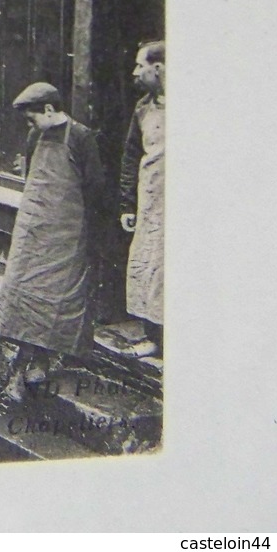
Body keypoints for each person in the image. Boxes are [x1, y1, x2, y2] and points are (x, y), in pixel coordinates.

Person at [0, 82, 106, 385]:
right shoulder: (34, 137)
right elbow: (33, 180)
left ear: (50, 110)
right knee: (25, 288)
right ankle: (33, 355)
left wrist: (84, 230)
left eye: (32, 118)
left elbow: (95, 186)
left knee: (61, 295)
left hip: (66, 229)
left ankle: (56, 354)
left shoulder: (81, 137)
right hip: (35, 226)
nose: (30, 125)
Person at [120, 41, 164, 358]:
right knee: (150, 265)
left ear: (158, 68)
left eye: (140, 66)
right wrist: (127, 204)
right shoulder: (143, 108)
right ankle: (153, 336)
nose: (135, 72)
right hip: (151, 200)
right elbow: (130, 156)